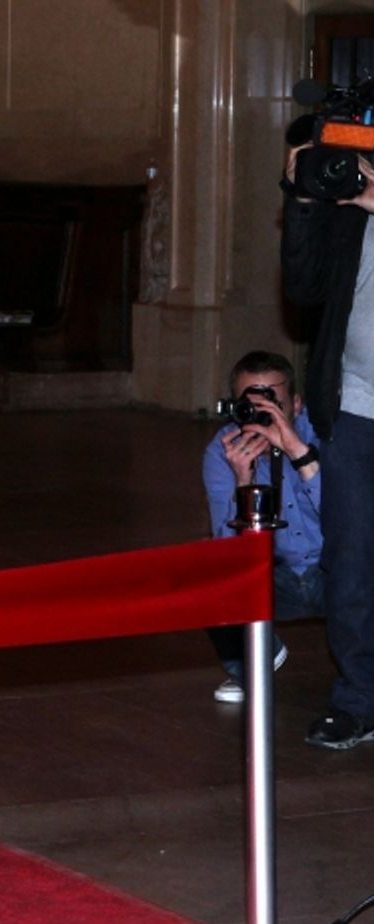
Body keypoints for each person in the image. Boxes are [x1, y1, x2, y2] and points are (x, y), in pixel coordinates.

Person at [281, 145, 374, 749]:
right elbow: (304, 287)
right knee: (353, 565)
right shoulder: (350, 200)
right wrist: (307, 201)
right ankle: (361, 698)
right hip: (357, 408)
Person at [202, 351, 323, 704]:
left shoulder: (325, 435)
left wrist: (300, 454)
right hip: (277, 574)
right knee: (210, 575)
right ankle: (251, 666)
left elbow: (349, 523)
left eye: (274, 405)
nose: (263, 416)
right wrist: (245, 480)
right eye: (252, 406)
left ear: (297, 404)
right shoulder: (223, 450)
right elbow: (228, 551)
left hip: (338, 569)